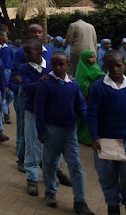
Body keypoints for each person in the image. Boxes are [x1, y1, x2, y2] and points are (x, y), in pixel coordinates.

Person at [35, 52, 94, 214]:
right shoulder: (45, 84)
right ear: (51, 66)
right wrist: (41, 130)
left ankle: (80, 201)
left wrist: (91, 122)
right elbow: (39, 110)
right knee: (50, 163)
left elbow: (81, 107)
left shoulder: (73, 86)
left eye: (62, 64)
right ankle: (50, 191)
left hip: (70, 131)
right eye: (55, 64)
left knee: (75, 165)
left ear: (68, 66)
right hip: (51, 130)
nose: (58, 67)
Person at [87, 50, 126, 215]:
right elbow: (92, 113)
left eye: (118, 65)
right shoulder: (98, 87)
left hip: (125, 140)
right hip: (106, 140)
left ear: (124, 65)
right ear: (106, 68)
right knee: (107, 176)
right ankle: (112, 206)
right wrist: (95, 136)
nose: (115, 69)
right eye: (111, 66)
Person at [20, 38, 51, 197]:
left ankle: (51, 175)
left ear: (39, 52)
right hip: (32, 110)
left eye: (28, 51)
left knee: (51, 145)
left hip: (50, 113)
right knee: (32, 145)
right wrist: (39, 83)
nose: (25, 55)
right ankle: (31, 178)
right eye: (25, 51)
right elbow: (26, 87)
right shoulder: (24, 68)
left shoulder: (51, 65)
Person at [75, 50, 105, 146]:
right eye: (91, 57)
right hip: (88, 98)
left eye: (94, 57)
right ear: (85, 59)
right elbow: (80, 84)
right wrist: (91, 86)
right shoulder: (82, 69)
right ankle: (86, 138)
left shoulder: (96, 67)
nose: (94, 59)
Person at [0, 30, 14, 125]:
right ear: (1, 37)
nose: (7, 38)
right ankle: (5, 113)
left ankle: (5, 110)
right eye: (5, 36)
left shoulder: (8, 48)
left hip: (8, 71)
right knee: (1, 94)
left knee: (10, 93)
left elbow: (13, 57)